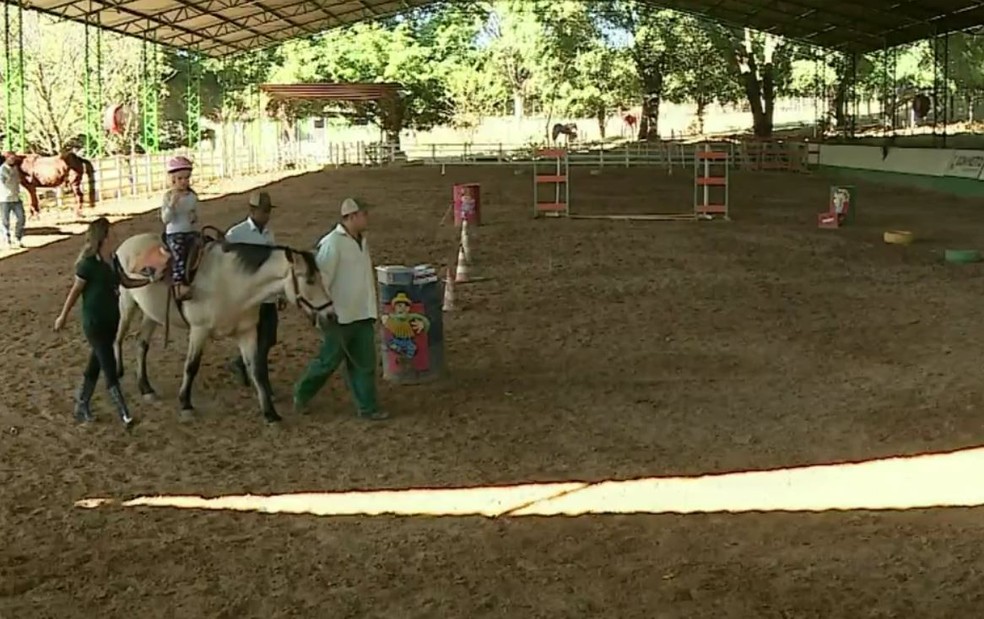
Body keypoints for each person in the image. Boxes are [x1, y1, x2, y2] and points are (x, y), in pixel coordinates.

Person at [293, 198, 387, 421]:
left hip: (361, 312)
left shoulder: (360, 241)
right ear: (352, 216)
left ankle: (368, 407)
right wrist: (321, 312)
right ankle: (301, 393)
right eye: (364, 214)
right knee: (328, 361)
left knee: (365, 364)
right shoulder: (333, 244)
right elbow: (321, 281)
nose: (367, 217)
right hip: (340, 315)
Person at [53, 217, 150, 428]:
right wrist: (63, 316)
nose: (115, 236)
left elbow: (126, 282)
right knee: (110, 367)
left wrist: (149, 280)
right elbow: (75, 292)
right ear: (103, 238)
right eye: (111, 233)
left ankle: (82, 403)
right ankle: (125, 414)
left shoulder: (113, 260)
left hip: (111, 321)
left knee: (95, 363)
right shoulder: (87, 265)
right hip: (94, 322)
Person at [223, 190, 287, 388]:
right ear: (252, 211)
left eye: (268, 211)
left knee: (268, 339)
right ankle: (262, 382)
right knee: (258, 342)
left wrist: (279, 293)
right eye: (263, 211)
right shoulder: (235, 234)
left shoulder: (269, 234)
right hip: (249, 299)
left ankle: (241, 364)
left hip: (267, 296)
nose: (267, 215)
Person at [161, 155, 199, 300]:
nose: (184, 182)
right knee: (179, 253)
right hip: (174, 233)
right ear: (173, 180)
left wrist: (193, 217)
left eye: (186, 178)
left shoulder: (192, 196)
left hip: (188, 230)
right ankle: (178, 284)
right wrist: (171, 205)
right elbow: (166, 219)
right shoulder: (168, 197)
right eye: (180, 179)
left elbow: (194, 214)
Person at [0, 151, 24, 250]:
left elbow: (18, 181)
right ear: (6, 158)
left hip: (16, 197)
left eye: (14, 158)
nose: (13, 160)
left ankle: (17, 237)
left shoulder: (16, 168)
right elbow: (4, 181)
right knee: (5, 220)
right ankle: (7, 240)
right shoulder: (2, 169)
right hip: (5, 198)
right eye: (11, 158)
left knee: (21, 218)